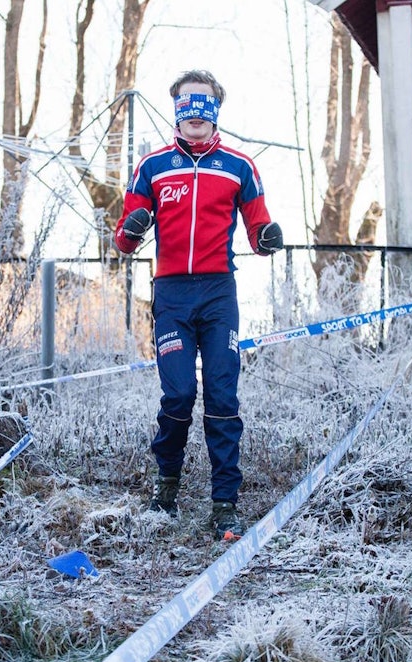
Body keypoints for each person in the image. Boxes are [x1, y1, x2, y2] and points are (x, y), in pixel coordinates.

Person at [114, 69, 283, 540]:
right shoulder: (152, 166)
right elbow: (123, 239)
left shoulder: (239, 166)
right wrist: (132, 228)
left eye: (203, 104)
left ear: (216, 109)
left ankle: (224, 502)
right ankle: (166, 484)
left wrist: (267, 238)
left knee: (223, 394)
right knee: (180, 393)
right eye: (186, 104)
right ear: (175, 110)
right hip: (171, 294)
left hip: (217, 294)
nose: (194, 113)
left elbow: (258, 226)